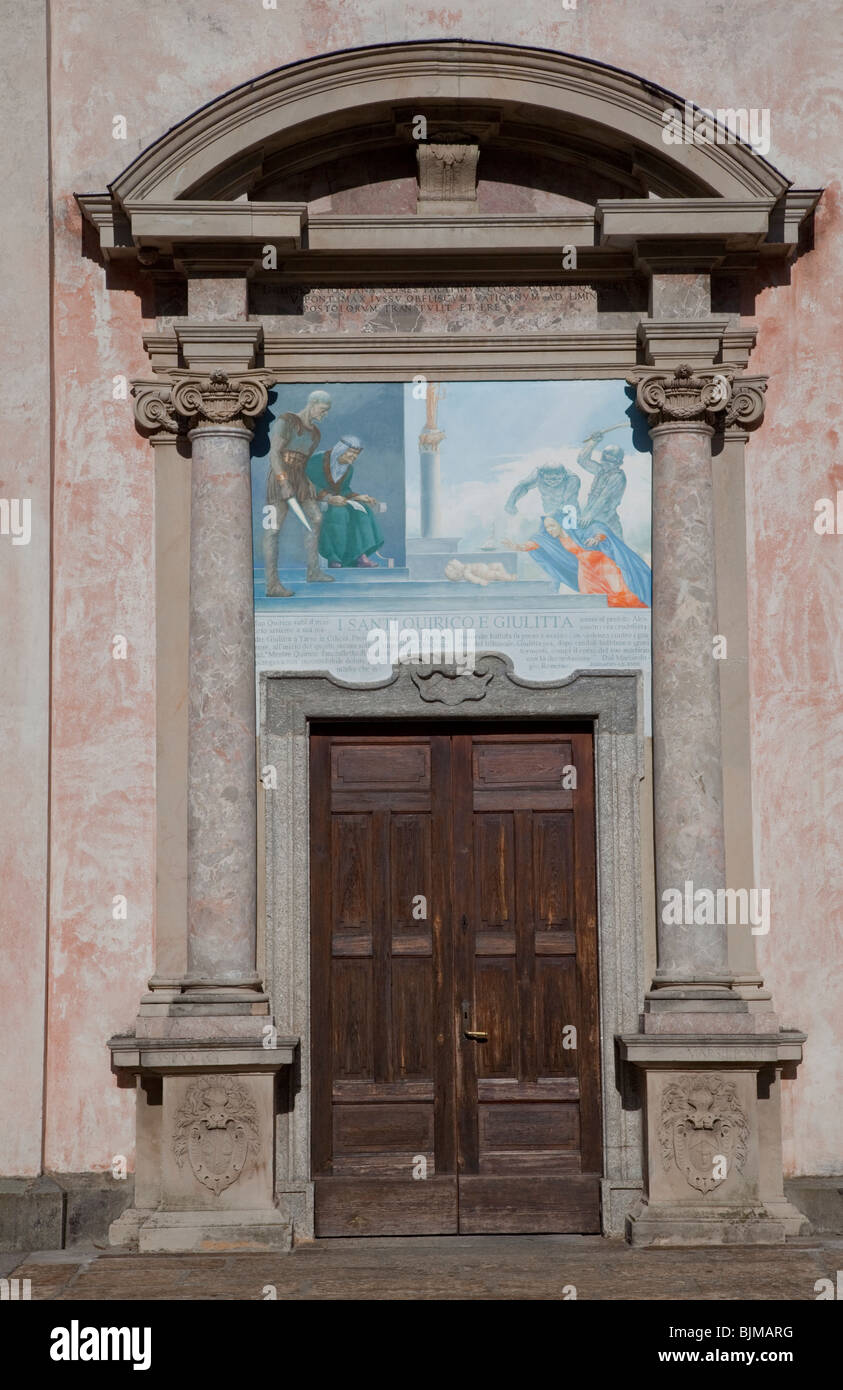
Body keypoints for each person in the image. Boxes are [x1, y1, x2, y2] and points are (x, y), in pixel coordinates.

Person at [263, 389, 333, 598]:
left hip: (300, 479)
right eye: (323, 409)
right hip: (280, 476)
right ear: (312, 404)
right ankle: (272, 585)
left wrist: (308, 481)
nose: (324, 415)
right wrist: (283, 482)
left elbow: (302, 462)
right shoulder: (287, 420)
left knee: (316, 518)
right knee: (273, 530)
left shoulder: (316, 434)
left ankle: (313, 571)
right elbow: (274, 453)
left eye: (327, 411)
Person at [505, 517, 649, 607]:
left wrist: (596, 538)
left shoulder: (577, 532)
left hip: (602, 564)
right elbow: (534, 543)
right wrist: (517, 546)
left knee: (620, 592)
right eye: (547, 527)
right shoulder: (551, 540)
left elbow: (598, 529)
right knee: (595, 597)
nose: (549, 530)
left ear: (561, 524)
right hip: (586, 570)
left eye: (552, 525)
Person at [305, 436, 386, 569]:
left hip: (337, 501)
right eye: (352, 453)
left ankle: (360, 555)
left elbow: (344, 490)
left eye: (356, 454)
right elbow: (304, 482)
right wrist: (328, 498)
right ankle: (335, 558)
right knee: (338, 513)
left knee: (362, 511)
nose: (354, 457)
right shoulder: (318, 460)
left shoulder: (349, 469)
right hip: (315, 501)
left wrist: (358, 497)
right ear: (341, 449)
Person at [577, 430, 628, 537]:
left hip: (607, 519)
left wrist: (589, 516)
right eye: (606, 457)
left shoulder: (617, 476)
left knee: (615, 548)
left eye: (611, 459)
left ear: (618, 461)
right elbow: (582, 460)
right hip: (590, 516)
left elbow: (604, 498)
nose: (607, 462)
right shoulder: (601, 470)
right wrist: (593, 442)